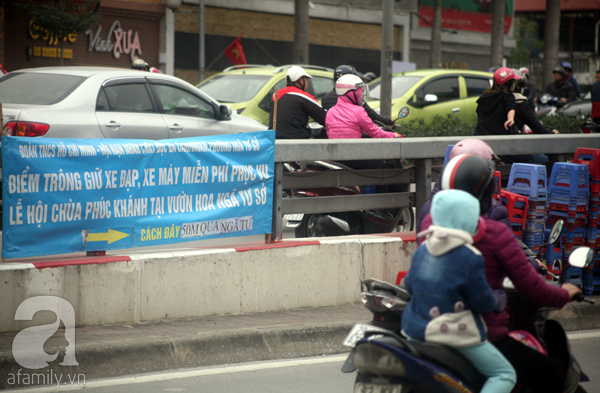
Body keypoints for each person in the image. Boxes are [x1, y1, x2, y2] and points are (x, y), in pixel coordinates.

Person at [421, 154, 582, 393]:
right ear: (487, 192)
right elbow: (531, 287)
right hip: (480, 332)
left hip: (428, 326)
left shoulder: (429, 223)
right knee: (549, 373)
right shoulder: (494, 232)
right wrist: (563, 294)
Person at [403, 189, 517, 393]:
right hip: (453, 333)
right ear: (469, 219)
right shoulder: (470, 256)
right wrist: (499, 299)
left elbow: (410, 285)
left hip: (415, 331)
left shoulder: (423, 248)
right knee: (504, 374)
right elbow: (483, 302)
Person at [326, 74, 400, 140]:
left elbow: (329, 133)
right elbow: (375, 132)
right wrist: (393, 135)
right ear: (350, 93)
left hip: (335, 153)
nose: (361, 95)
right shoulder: (358, 111)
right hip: (355, 152)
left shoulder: (330, 112)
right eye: (359, 92)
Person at [268, 66, 327, 139]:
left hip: (274, 141)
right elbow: (325, 118)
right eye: (306, 80)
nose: (307, 83)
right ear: (301, 80)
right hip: (297, 142)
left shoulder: (275, 95)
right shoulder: (304, 96)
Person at [321, 65, 392, 126]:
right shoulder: (354, 97)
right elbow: (371, 115)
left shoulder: (325, 98)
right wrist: (388, 120)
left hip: (331, 134)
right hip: (353, 134)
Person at [474, 67, 517, 136]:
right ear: (510, 83)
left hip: (481, 136)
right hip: (500, 137)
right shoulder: (507, 95)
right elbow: (511, 107)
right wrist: (511, 119)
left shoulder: (484, 96)